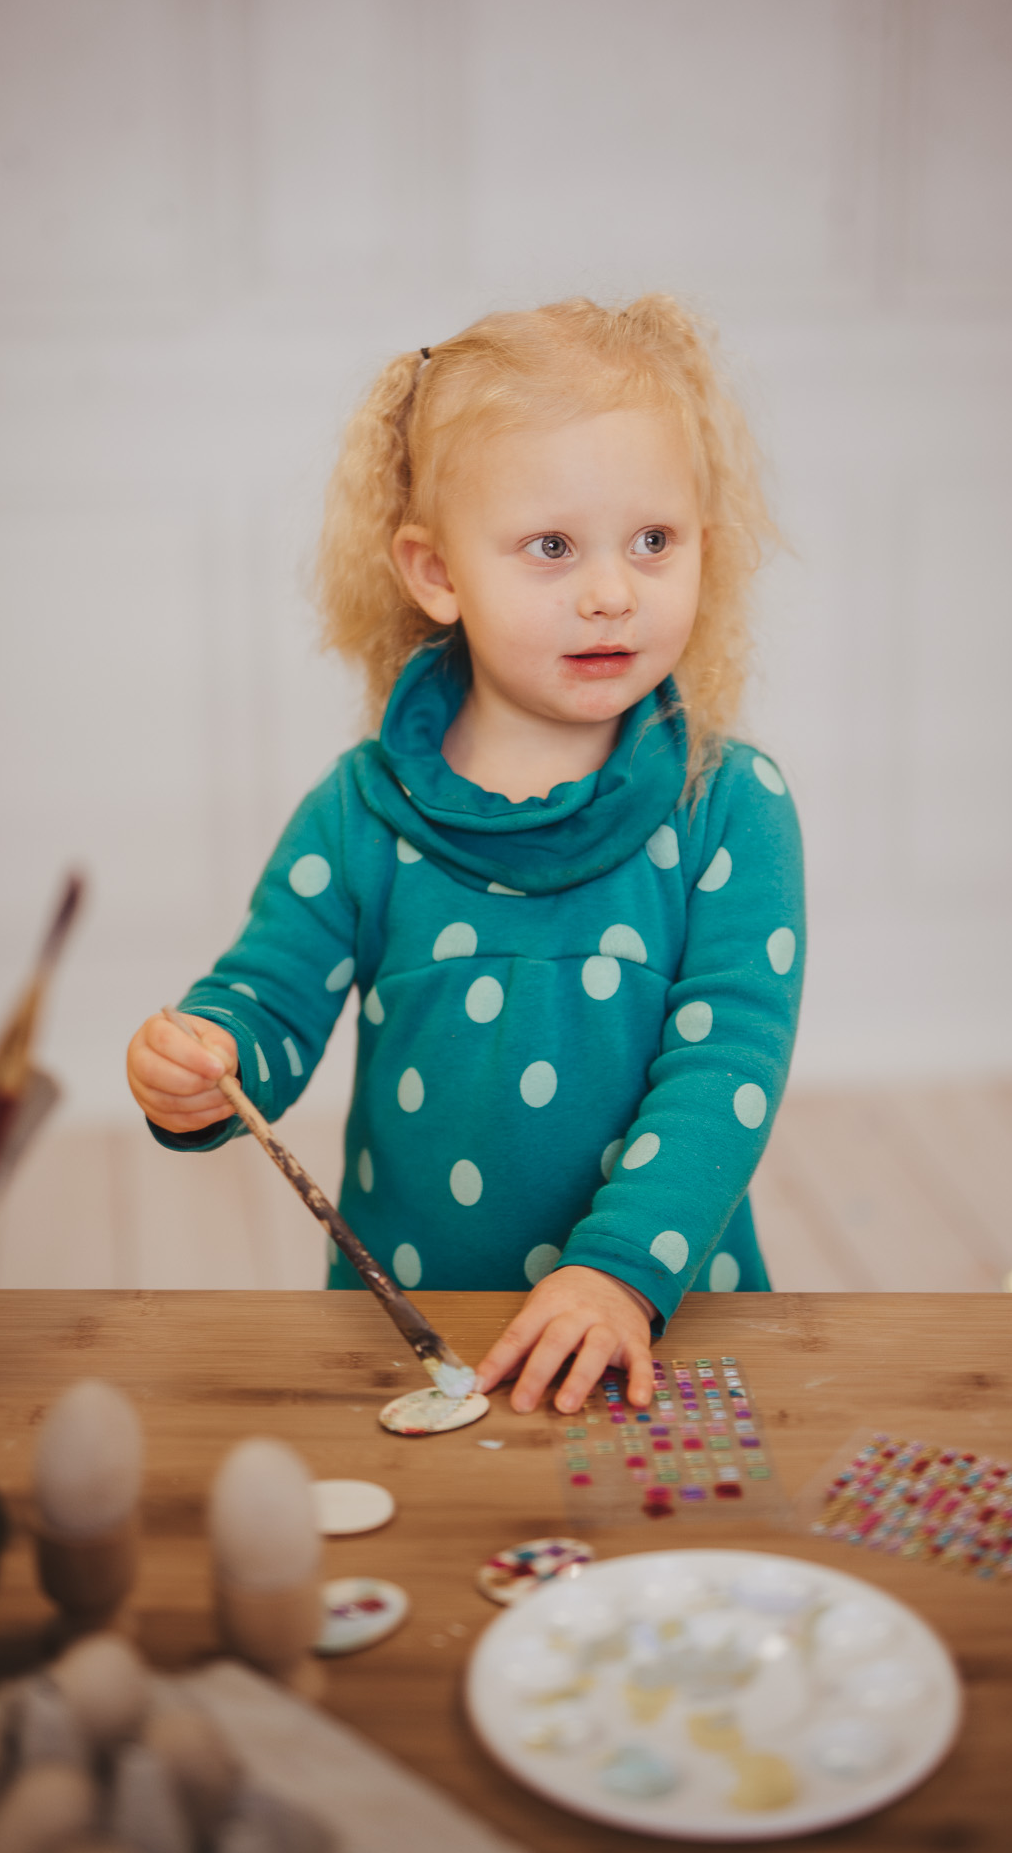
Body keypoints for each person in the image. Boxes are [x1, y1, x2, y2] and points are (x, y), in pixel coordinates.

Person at [126, 295, 804, 1416]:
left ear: (702, 545)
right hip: (419, 1329)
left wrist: (616, 1275)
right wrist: (206, 1053)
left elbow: (725, 1068)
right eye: (550, 545)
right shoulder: (360, 812)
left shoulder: (725, 803)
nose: (609, 589)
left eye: (652, 540)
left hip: (655, 1310)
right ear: (436, 573)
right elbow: (267, 998)